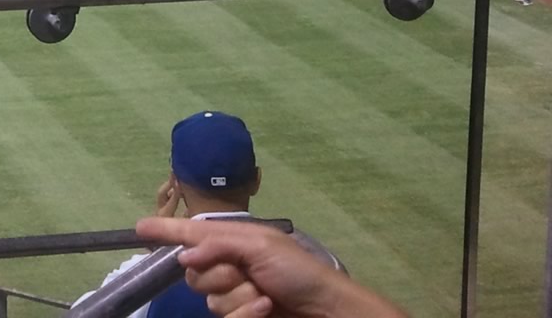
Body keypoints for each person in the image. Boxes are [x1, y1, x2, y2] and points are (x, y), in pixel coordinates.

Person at [76, 111, 342, 318]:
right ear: (256, 180)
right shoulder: (318, 265)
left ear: (175, 184)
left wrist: (155, 253)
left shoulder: (145, 277)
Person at [135, 216, 406, 318]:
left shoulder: (142, 277)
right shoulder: (327, 263)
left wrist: (327, 298)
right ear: (256, 179)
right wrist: (328, 298)